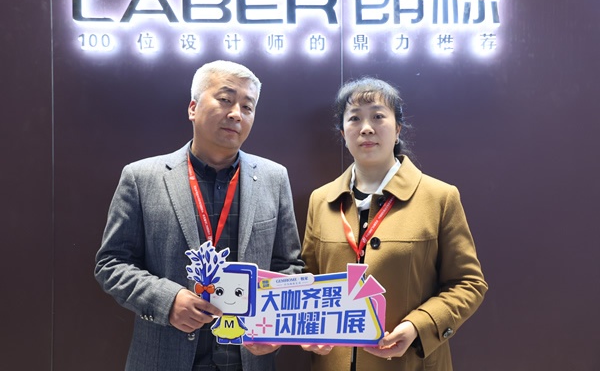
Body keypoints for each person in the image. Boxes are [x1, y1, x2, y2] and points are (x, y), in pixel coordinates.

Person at [95, 60, 304, 371]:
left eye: (247, 107)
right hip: (165, 358)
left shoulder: (274, 178)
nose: (236, 113)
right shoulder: (141, 177)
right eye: (225, 99)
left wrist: (276, 324)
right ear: (193, 108)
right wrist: (167, 301)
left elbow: (288, 265)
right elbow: (111, 263)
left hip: (248, 360)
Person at [301, 77, 488, 371]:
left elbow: (469, 284)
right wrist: (307, 329)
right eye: (354, 118)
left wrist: (418, 326)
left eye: (378, 116)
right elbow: (308, 282)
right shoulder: (321, 200)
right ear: (342, 132)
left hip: (409, 361)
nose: (366, 128)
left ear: (398, 128)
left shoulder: (439, 197)